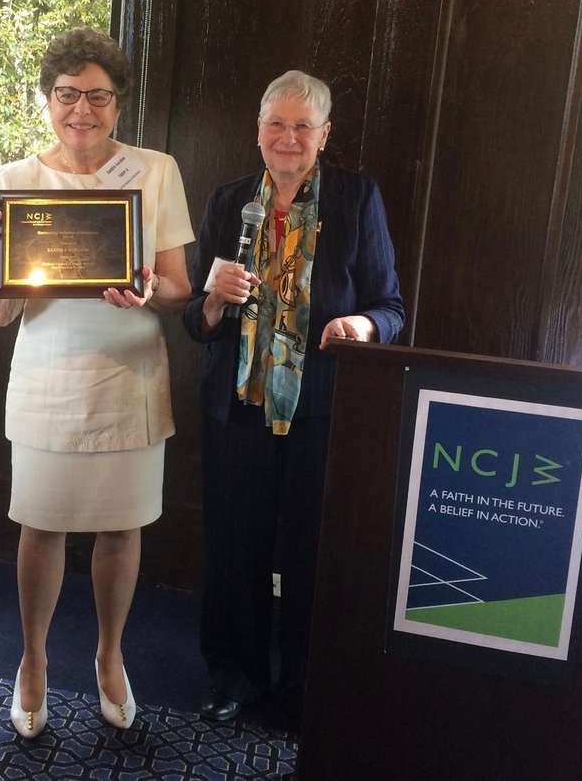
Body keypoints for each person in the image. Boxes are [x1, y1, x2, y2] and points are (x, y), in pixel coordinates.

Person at [0, 27, 193, 738]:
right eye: (68, 94)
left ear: (118, 103)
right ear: (47, 100)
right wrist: (2, 251)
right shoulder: (15, 179)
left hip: (130, 374)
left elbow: (179, 289)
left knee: (121, 526)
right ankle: (34, 660)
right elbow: (0, 311)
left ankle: (109, 655)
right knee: (40, 525)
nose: (82, 110)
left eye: (98, 97)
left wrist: (149, 290)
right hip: (47, 375)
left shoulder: (155, 171)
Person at [183, 70, 404, 731]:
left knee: (313, 553)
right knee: (234, 549)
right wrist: (213, 301)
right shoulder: (228, 201)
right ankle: (234, 674)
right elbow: (195, 320)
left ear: (324, 135)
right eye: (276, 124)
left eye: (302, 126)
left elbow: (391, 308)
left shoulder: (357, 200)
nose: (287, 138)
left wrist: (361, 325)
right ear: (258, 131)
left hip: (320, 413)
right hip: (238, 408)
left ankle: (307, 684)